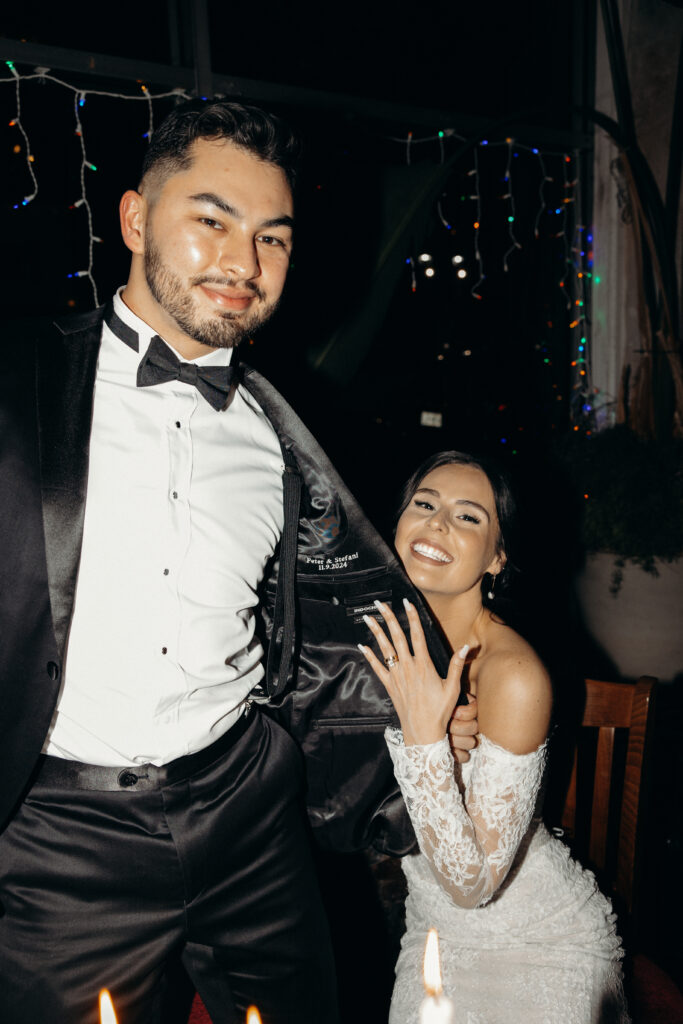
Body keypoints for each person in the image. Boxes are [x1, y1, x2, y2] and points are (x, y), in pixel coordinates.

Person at [0, 102, 479, 1024]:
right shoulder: (18, 382)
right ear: (136, 220)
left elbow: (325, 628)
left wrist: (422, 726)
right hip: (63, 837)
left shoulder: (284, 432)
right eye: (210, 221)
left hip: (248, 811)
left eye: (273, 239)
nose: (242, 265)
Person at [359, 451, 629, 1024]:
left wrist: (425, 740)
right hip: (432, 930)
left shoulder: (515, 675)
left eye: (468, 517)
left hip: (537, 941)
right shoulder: (379, 633)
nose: (437, 524)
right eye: (425, 505)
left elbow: (471, 885)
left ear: (497, 558)